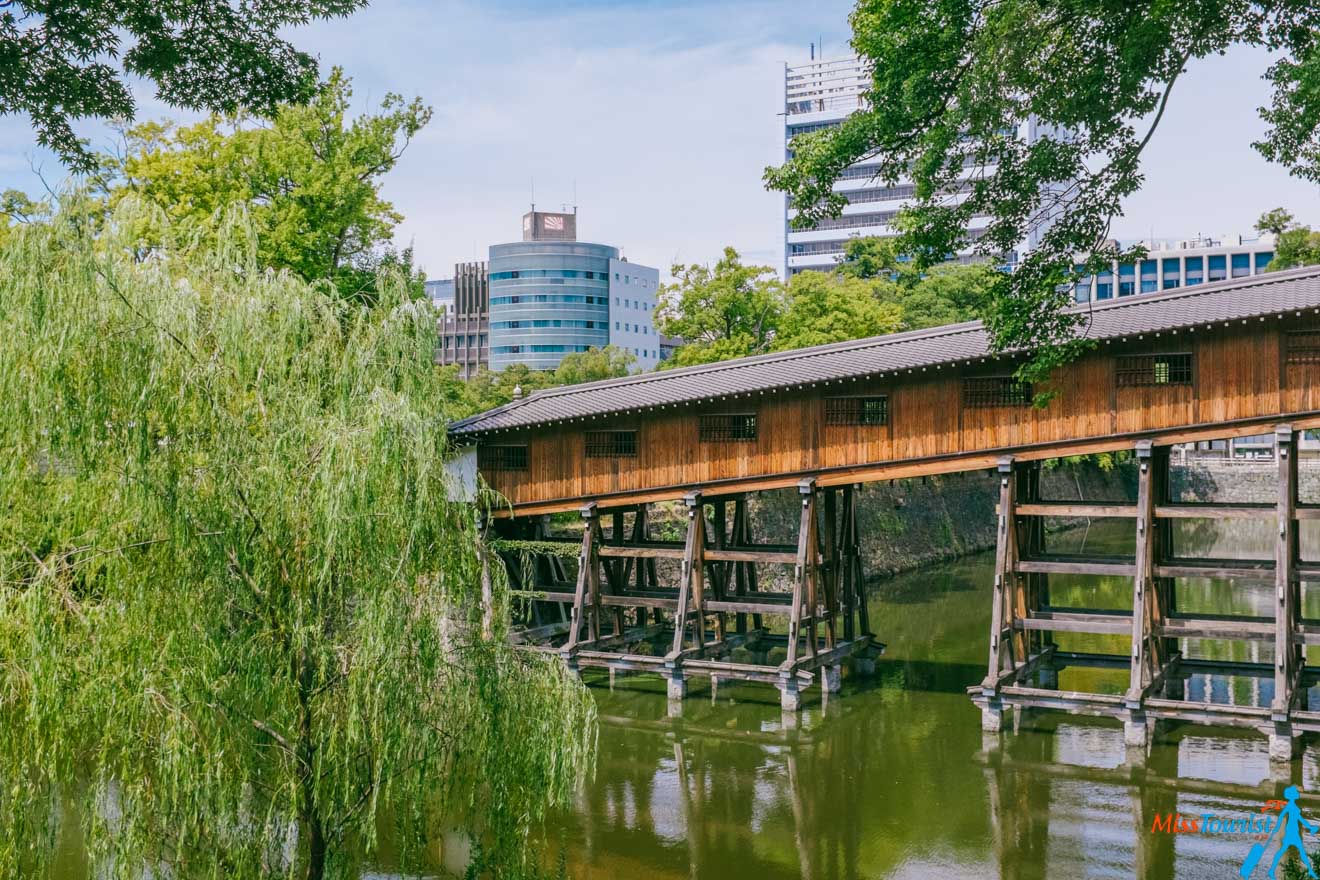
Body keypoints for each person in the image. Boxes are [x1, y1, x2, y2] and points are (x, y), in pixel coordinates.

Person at [1269, 785, 1319, 879]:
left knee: (1289, 853)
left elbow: (1295, 819)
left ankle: (1274, 870)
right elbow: (1287, 818)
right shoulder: (1291, 808)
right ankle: (1311, 872)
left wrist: (1310, 827)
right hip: (1291, 834)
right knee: (1295, 853)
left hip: (1292, 834)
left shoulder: (1292, 807)